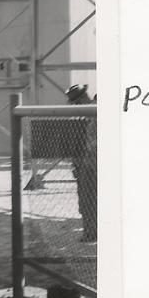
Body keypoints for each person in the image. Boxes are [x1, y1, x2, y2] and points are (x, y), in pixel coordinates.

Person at [66, 84, 97, 242]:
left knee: (89, 200)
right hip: (85, 162)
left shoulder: (92, 112)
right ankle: (90, 231)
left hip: (91, 163)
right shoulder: (82, 114)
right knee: (86, 200)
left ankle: (91, 233)